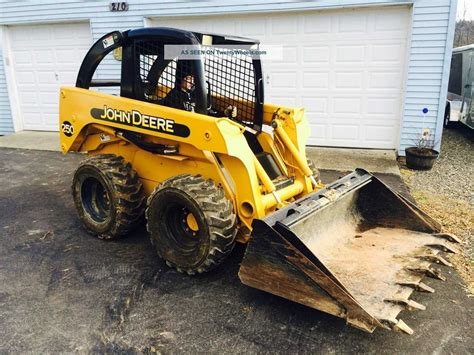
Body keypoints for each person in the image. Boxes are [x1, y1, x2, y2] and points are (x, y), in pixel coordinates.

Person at [162, 74, 237, 119]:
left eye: (193, 78)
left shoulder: (197, 94)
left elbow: (207, 112)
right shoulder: (174, 95)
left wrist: (224, 113)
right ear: (181, 80)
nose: (191, 81)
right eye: (188, 78)